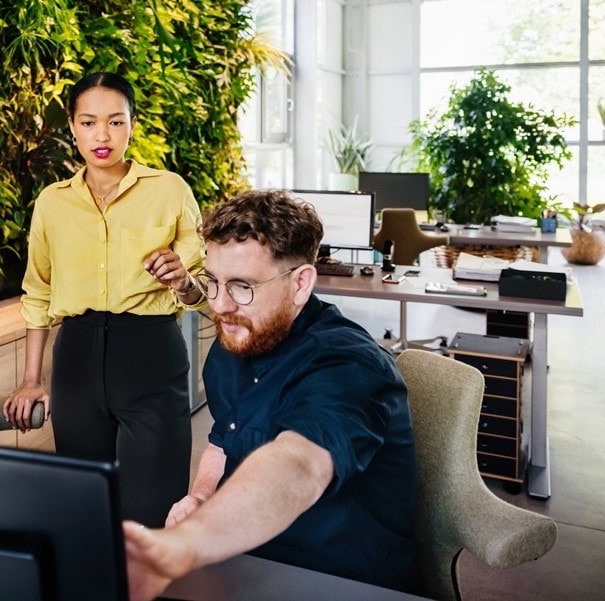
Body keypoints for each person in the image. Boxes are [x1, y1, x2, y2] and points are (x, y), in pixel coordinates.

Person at [122, 189, 419, 599]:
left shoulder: (348, 364)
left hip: (340, 576)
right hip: (251, 561)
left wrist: (189, 543)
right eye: (213, 282)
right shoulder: (236, 345)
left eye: (242, 286)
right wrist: (199, 497)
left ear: (300, 284)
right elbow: (223, 441)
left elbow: (298, 464)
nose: (221, 305)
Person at [3, 72, 205, 527]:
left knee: (152, 515)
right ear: (72, 128)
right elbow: (38, 292)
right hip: (76, 360)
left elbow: (201, 288)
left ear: (132, 125)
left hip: (151, 357)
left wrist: (182, 281)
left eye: (115, 122)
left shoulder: (169, 190)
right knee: (86, 507)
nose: (102, 135)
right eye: (89, 122)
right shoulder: (52, 202)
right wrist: (32, 378)